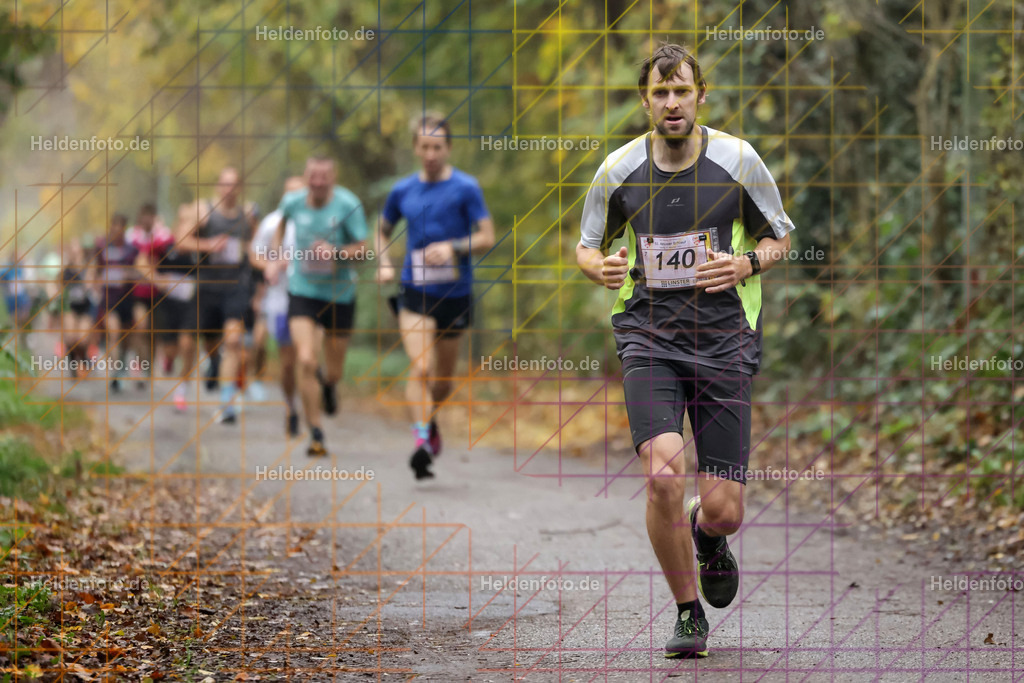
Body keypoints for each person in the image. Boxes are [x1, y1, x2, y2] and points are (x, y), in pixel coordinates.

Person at [576, 43, 795, 658]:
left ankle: (707, 534)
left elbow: (780, 238)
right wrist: (599, 267)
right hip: (648, 336)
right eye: (660, 92)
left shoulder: (739, 160)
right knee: (662, 473)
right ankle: (687, 612)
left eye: (682, 91)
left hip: (724, 339)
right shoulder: (618, 170)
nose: (672, 103)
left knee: (726, 511)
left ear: (701, 96)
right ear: (645, 101)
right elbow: (587, 246)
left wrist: (746, 263)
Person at [376, 112, 495, 480]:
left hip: (455, 294)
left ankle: (429, 421)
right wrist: (384, 263)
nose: (431, 154)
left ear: (448, 148)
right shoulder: (402, 191)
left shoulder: (466, 187)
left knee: (442, 382)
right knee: (421, 368)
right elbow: (381, 231)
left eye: (437, 147)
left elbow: (487, 236)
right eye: (425, 147)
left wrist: (453, 247)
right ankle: (422, 441)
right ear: (416, 147)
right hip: (415, 291)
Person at [265, 157, 368, 456]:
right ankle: (316, 432)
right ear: (306, 176)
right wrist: (276, 257)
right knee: (306, 359)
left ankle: (329, 384)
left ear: (333, 178)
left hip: (339, 295)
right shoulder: (292, 202)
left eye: (324, 177)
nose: (318, 182)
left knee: (333, 370)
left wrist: (335, 252)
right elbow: (280, 227)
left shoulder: (348, 204)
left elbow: (364, 251)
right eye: (313, 176)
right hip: (303, 291)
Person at [176, 167, 258, 423]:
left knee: (233, 341)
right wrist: (208, 245)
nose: (229, 189)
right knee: (189, 342)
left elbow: (256, 246)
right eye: (225, 184)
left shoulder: (247, 215)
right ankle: (184, 384)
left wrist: (248, 251)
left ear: (239, 188)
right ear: (218, 186)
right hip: (206, 286)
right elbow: (180, 241)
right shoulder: (204, 210)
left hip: (235, 286)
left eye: (234, 185)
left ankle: (226, 402)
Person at [250, 176, 304, 435]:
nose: (294, 199)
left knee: (308, 357)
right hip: (281, 300)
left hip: (312, 298)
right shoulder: (271, 223)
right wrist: (271, 264)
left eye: (299, 194)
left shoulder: (316, 219)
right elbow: (254, 255)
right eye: (289, 194)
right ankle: (291, 407)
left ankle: (317, 389)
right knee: (288, 362)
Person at [126, 203, 175, 389]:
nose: (147, 220)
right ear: (140, 218)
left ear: (154, 218)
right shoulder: (131, 237)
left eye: (150, 216)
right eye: (144, 216)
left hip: (158, 294)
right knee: (141, 327)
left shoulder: (163, 235)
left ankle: (149, 366)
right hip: (138, 292)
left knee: (153, 334)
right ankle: (138, 364)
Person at [96, 214, 141, 392]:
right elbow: (96, 270)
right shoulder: (103, 248)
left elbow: (140, 271)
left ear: (124, 229)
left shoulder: (132, 250)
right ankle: (115, 372)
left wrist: (128, 274)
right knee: (114, 334)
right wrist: (95, 283)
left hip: (127, 299)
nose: (116, 231)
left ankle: (121, 366)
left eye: (120, 227)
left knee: (126, 338)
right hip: (109, 299)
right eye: (113, 227)